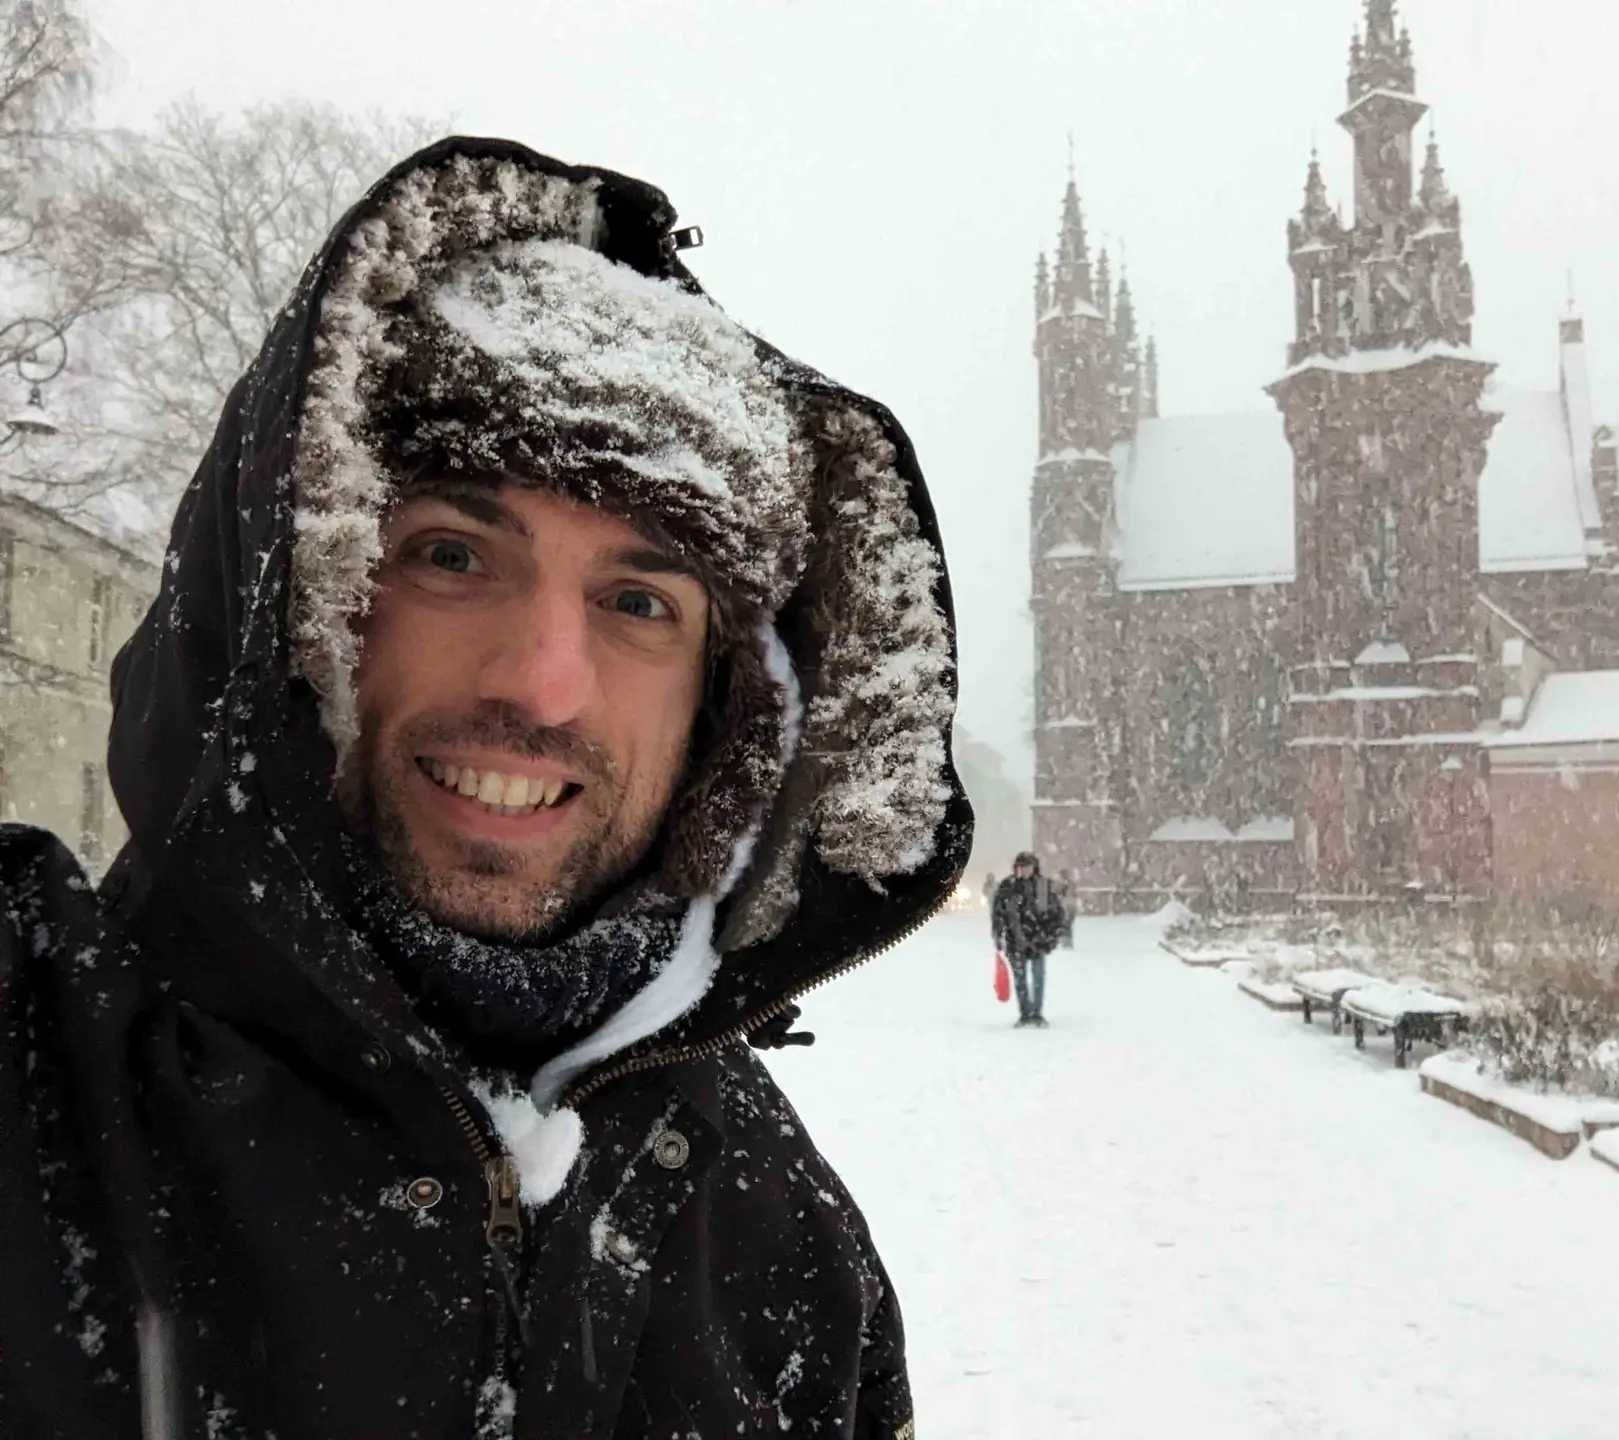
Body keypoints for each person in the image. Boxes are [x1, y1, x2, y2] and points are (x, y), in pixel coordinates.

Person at [0, 138, 971, 1438]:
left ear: (723, 715)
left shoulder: (778, 1235)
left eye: (639, 601)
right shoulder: (37, 1092)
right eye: (453, 555)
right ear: (302, 595)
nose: (545, 683)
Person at [991, 852, 1065, 1028]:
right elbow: (998, 913)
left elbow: (1056, 914)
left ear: (1034, 867)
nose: (1024, 870)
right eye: (1020, 867)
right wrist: (998, 934)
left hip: (1039, 940)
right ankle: (1025, 1014)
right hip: (1015, 940)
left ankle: (1037, 1013)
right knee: (1020, 979)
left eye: (1027, 867)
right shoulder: (1008, 887)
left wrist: (1050, 936)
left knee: (1038, 979)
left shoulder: (1043, 886)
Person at [1056, 870, 1078, 949]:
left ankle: (1066, 943)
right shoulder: (1071, 883)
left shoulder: (1064, 884)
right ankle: (1067, 943)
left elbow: (1061, 893)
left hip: (1067, 907)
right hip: (1072, 906)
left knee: (1066, 925)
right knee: (1068, 925)